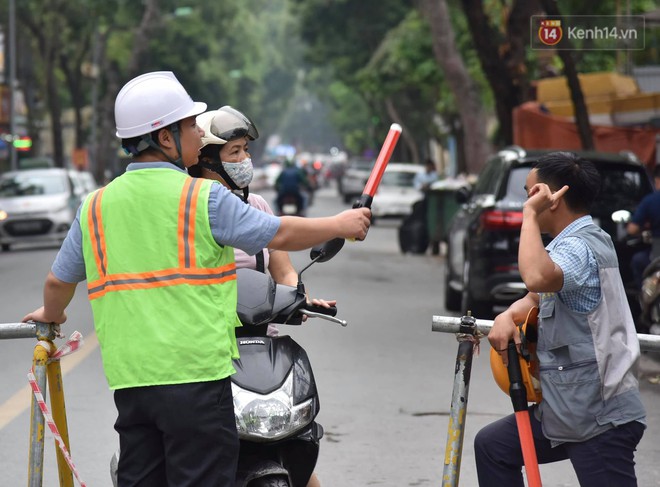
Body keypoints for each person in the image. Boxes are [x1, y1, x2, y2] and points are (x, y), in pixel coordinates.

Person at [22, 71, 370, 487]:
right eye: (189, 125)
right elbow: (278, 233)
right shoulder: (202, 197)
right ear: (165, 138)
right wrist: (340, 223)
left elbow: (58, 283)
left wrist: (51, 315)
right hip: (197, 380)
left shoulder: (96, 205)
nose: (195, 133)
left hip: (133, 383)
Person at [475, 152, 646, 487]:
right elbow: (537, 296)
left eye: (530, 193)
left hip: (599, 417)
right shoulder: (573, 244)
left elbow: (536, 277)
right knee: (494, 446)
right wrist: (508, 314)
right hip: (566, 410)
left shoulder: (579, 247)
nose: (526, 201)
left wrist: (528, 215)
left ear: (550, 198)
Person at [187, 105, 326, 487]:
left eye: (246, 150)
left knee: (303, 467)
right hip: (204, 348)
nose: (245, 159)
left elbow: (281, 268)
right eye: (235, 152)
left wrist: (297, 296)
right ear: (206, 160)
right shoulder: (189, 210)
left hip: (256, 344)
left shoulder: (258, 206)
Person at [627, 164, 660, 289]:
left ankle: (644, 296)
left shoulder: (651, 200)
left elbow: (632, 229)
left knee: (638, 260)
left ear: (657, 180)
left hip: (657, 251)